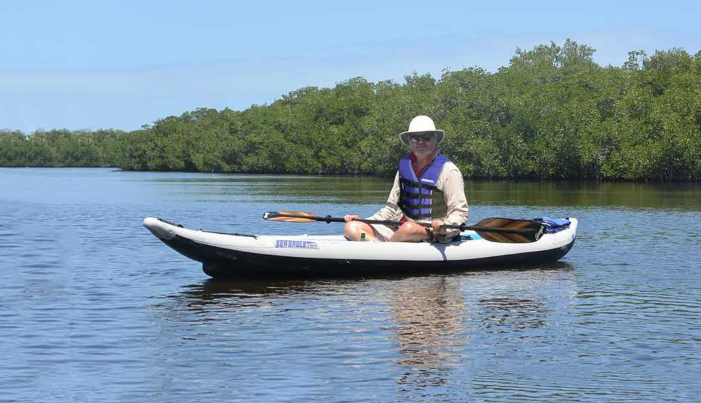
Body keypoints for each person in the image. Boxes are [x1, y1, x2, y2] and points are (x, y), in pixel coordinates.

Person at [344, 115, 468, 243]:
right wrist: (365, 221)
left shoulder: (449, 171)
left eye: (426, 137)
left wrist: (445, 227)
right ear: (409, 141)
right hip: (398, 230)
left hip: (431, 233)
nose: (420, 142)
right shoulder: (404, 170)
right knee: (352, 227)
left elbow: (460, 212)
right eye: (415, 138)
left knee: (409, 229)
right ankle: (375, 245)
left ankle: (380, 248)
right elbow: (391, 209)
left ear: (434, 139)